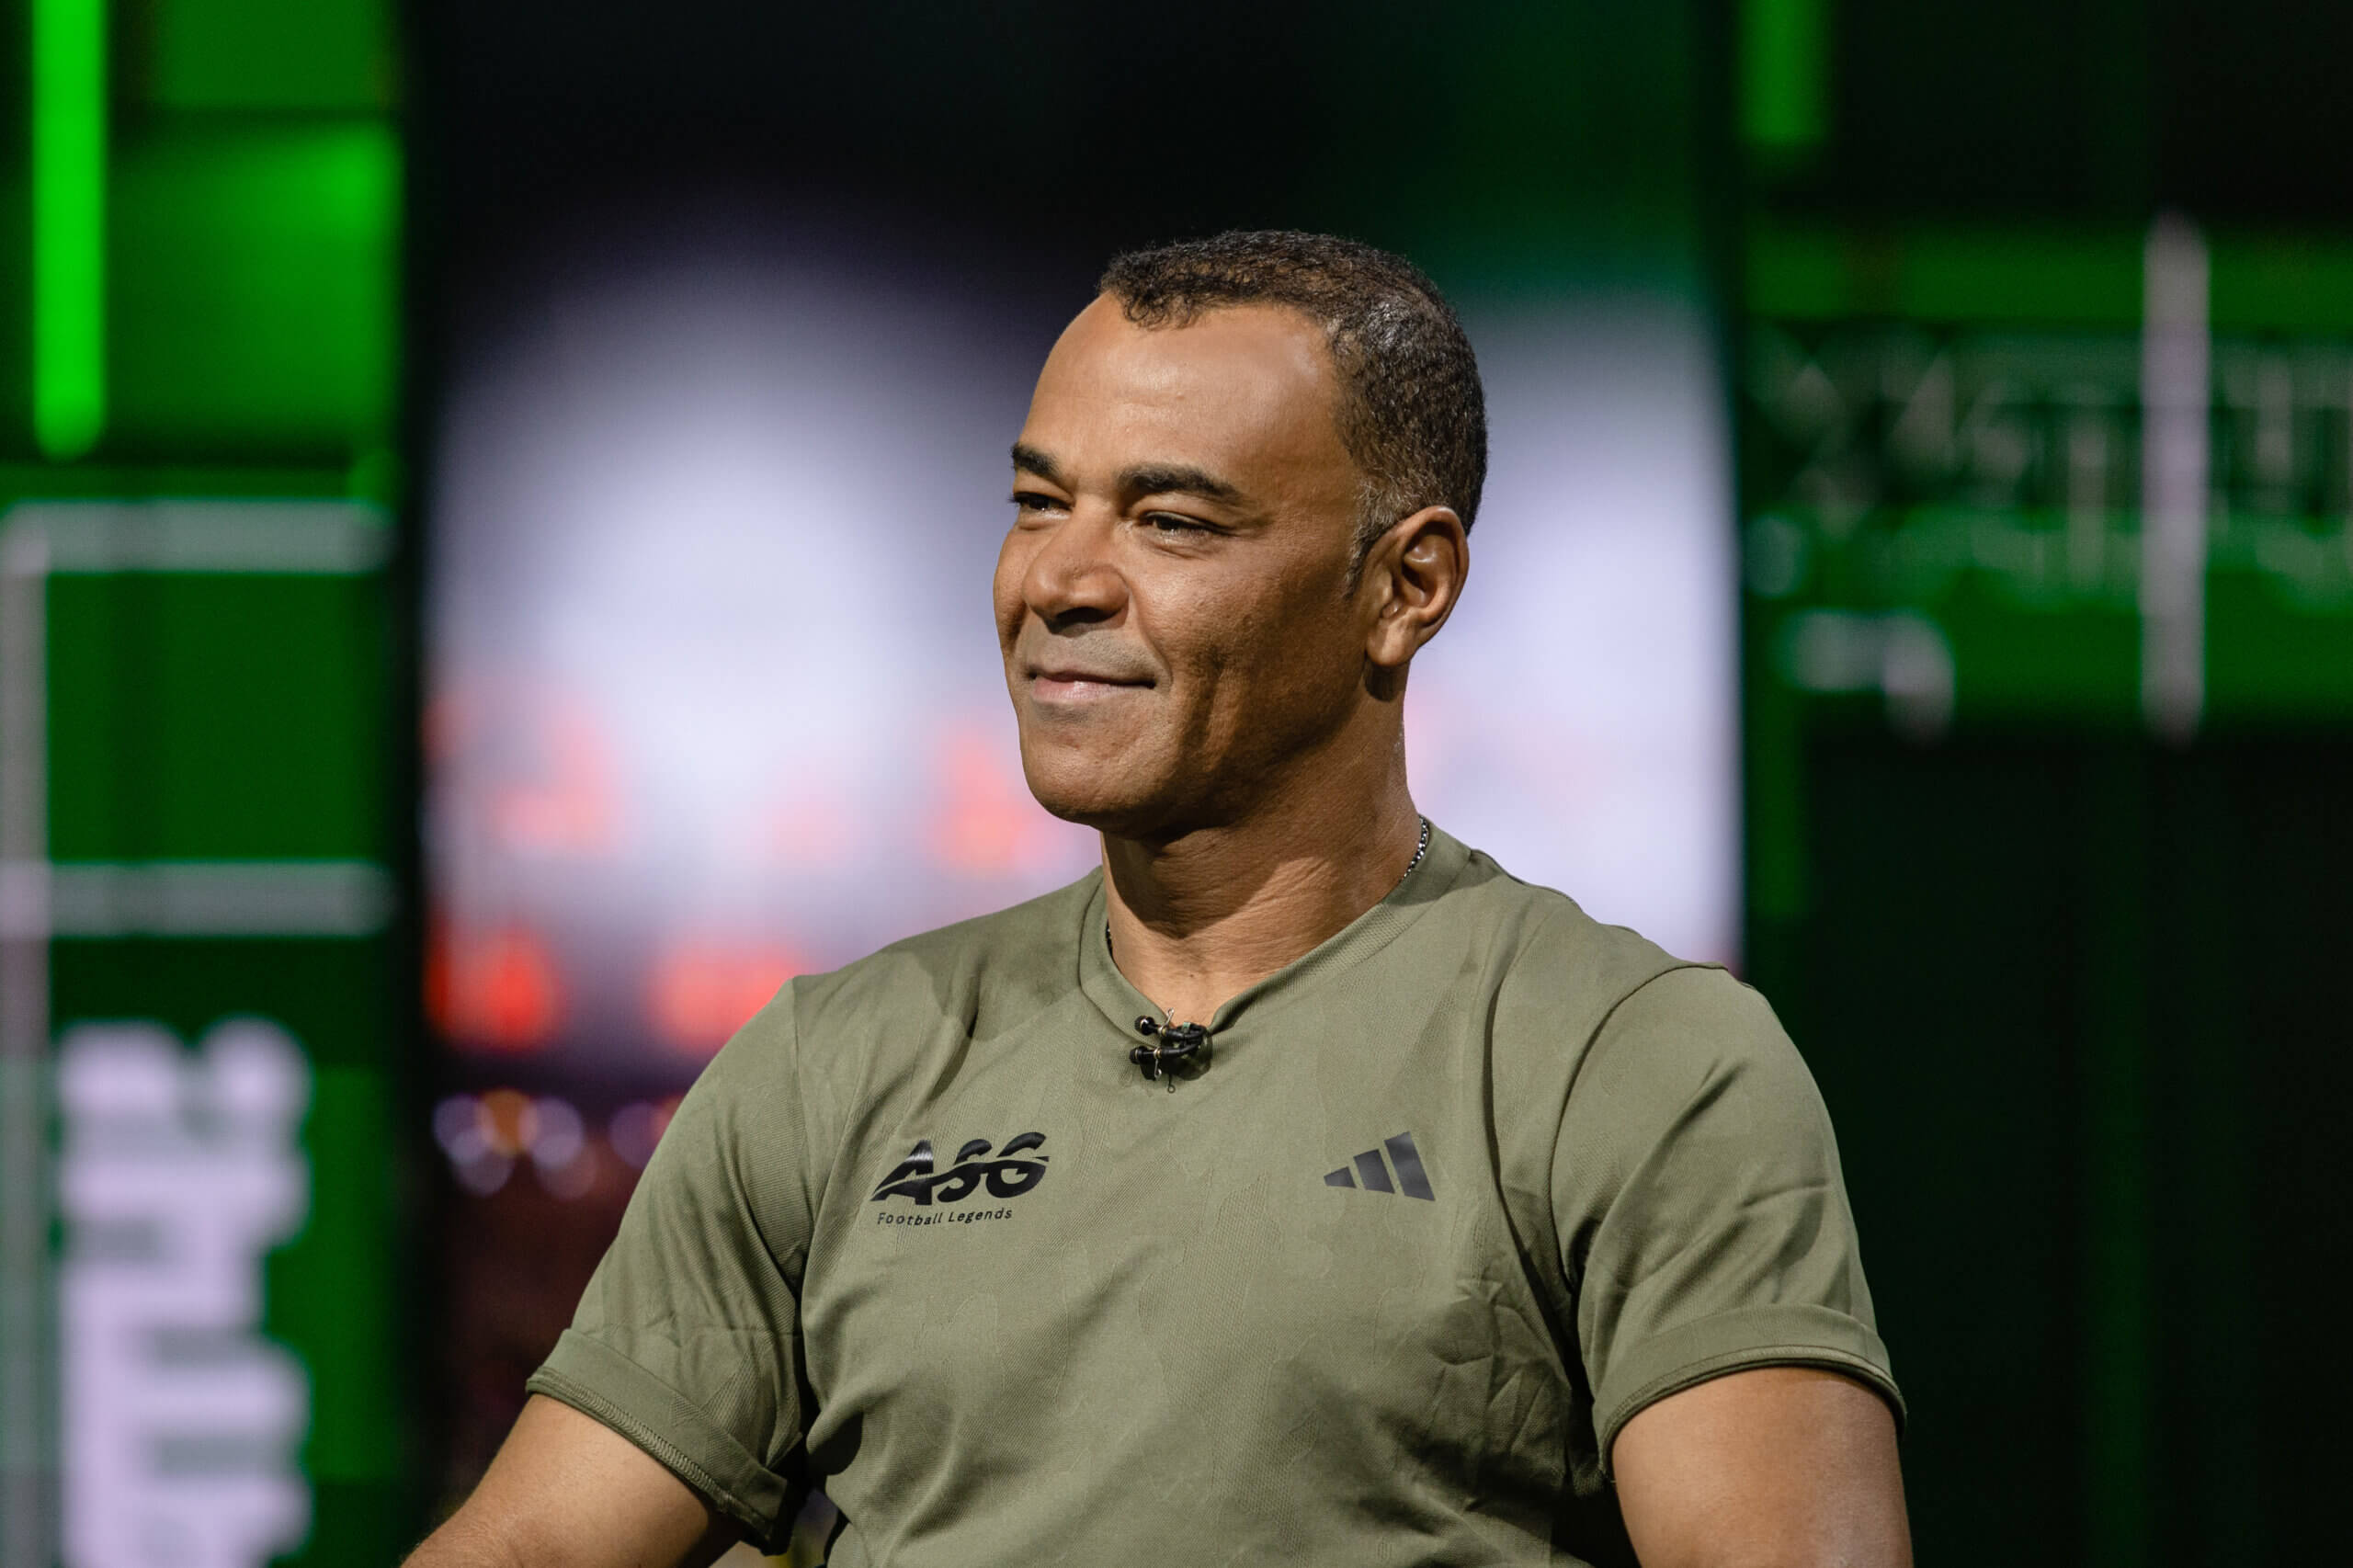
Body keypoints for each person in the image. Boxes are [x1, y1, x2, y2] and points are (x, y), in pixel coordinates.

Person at [408, 231, 1909, 1568]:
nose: (1059, 578)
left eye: (1173, 521)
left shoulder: (1634, 1064)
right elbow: (537, 1540)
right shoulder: (832, 1062)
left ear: (1408, 586)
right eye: (1037, 501)